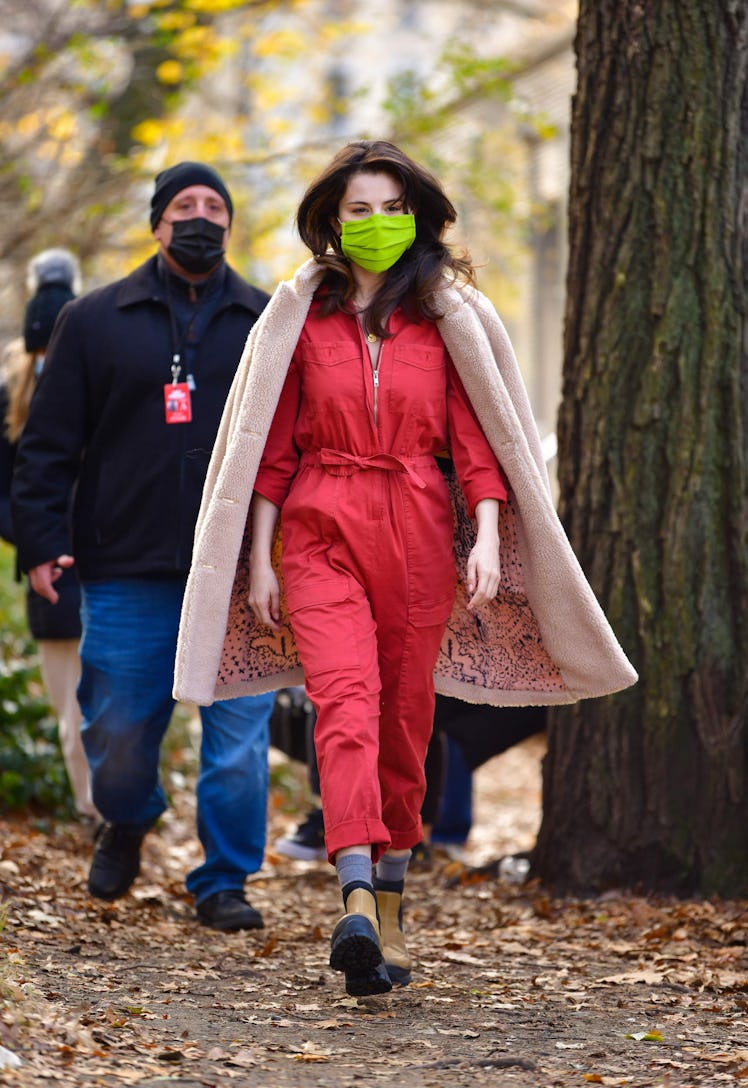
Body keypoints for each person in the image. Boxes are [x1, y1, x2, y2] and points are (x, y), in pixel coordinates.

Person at [172, 141, 637, 993]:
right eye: (360, 209)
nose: (378, 223)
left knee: (405, 721)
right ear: (332, 220)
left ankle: (388, 898)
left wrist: (491, 536)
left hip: (422, 534)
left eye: (393, 208)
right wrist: (262, 560)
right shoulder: (299, 317)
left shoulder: (448, 316)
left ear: (417, 215)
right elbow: (265, 450)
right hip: (319, 529)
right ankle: (352, 893)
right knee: (344, 705)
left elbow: (482, 445)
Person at [10, 163, 276, 932]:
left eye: (214, 206)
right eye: (184, 206)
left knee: (236, 744)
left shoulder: (264, 322)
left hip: (235, 571)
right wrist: (43, 543)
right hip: (126, 567)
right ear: (157, 223)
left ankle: (225, 878)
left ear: (230, 223)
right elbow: (48, 446)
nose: (200, 217)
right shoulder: (93, 320)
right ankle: (126, 818)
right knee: (116, 733)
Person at [0, 248, 98, 825]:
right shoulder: (12, 386)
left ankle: (115, 805)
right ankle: (95, 810)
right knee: (71, 703)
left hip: (108, 559)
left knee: (112, 699)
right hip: (52, 567)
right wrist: (38, 539)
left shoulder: (98, 362)